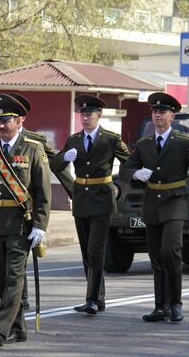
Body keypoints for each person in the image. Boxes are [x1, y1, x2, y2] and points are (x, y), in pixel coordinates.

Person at [119, 92, 189, 324]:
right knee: (156, 256)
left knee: (171, 251)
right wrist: (135, 173)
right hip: (152, 204)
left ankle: (176, 304)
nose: (157, 115)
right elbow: (125, 170)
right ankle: (160, 306)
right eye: (154, 112)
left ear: (172, 116)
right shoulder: (144, 144)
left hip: (175, 202)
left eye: (162, 112)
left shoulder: (183, 142)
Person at [0, 93, 51, 346]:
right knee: (3, 280)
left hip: (19, 225)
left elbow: (43, 191)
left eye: (7, 120)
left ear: (20, 120)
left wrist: (40, 225)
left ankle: (1, 329)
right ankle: (19, 329)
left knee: (14, 278)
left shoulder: (33, 149)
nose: (1, 126)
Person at [52, 95, 130, 315]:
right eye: (82, 114)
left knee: (96, 250)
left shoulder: (111, 139)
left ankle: (92, 299)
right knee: (87, 252)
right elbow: (55, 165)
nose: (85, 118)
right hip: (82, 201)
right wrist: (65, 157)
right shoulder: (74, 140)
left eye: (89, 114)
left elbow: (129, 163)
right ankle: (99, 297)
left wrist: (122, 183)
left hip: (103, 199)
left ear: (99, 115)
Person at [10, 92, 73, 311]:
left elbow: (53, 165)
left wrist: (74, 191)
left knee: (20, 254)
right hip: (4, 210)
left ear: (21, 119)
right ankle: (18, 297)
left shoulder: (35, 141)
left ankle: (22, 298)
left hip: (29, 205)